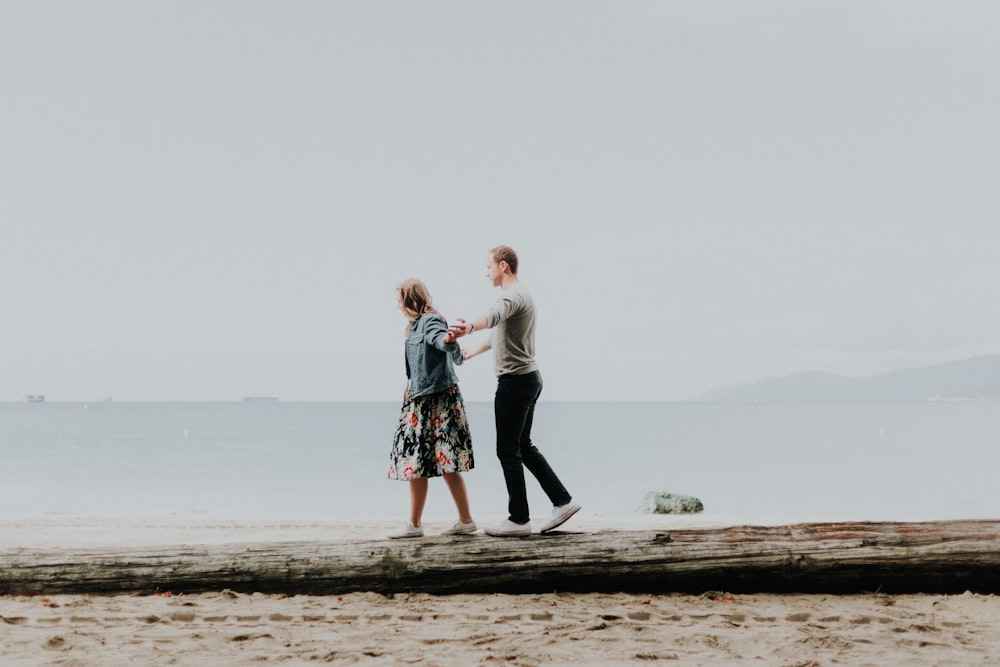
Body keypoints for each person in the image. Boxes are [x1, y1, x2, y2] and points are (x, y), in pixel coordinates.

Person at [451, 246, 580, 537]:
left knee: (507, 449)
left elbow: (493, 316)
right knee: (522, 446)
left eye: (489, 267)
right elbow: (502, 331)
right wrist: (475, 349)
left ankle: (519, 519)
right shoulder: (522, 296)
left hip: (515, 383)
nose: (486, 272)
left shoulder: (511, 296)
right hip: (528, 379)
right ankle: (562, 501)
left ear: (503, 266)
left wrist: (470, 326)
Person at [387, 278, 477, 539]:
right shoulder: (413, 327)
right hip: (420, 398)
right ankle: (422, 523)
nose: (397, 306)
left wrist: (449, 339)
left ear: (408, 298)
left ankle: (456, 522)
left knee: (443, 461)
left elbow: (440, 340)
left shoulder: (430, 321)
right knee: (420, 461)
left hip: (435, 400)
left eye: (399, 300)